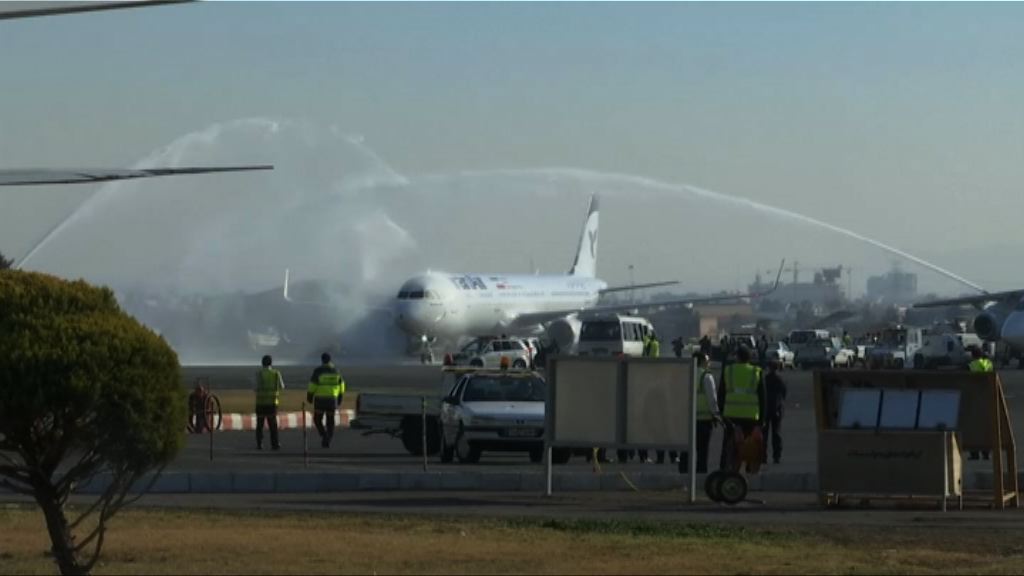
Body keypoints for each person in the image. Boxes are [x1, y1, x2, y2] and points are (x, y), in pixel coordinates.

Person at [719, 346, 765, 472]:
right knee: (750, 447)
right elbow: (763, 398)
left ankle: (726, 470)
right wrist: (761, 422)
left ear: (737, 357)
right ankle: (749, 470)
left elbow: (721, 394)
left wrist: (721, 414)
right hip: (751, 416)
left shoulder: (728, 371)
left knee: (729, 447)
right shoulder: (756, 371)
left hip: (731, 415)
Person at [307, 352, 345, 448]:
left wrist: (309, 396)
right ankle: (328, 438)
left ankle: (324, 435)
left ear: (322, 360)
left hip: (320, 400)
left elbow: (312, 385)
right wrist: (340, 397)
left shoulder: (318, 371)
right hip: (332, 400)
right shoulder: (336, 371)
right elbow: (341, 386)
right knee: (330, 421)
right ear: (330, 360)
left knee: (317, 419)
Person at [968, 347, 994, 460]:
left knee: (973, 428)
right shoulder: (988, 363)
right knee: (986, 427)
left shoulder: (971, 365)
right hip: (987, 397)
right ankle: (986, 453)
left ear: (972, 355)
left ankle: (974, 453)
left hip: (974, 398)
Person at [255, 354, 285, 450]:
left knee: (259, 424)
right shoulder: (276, 373)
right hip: (272, 403)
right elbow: (282, 386)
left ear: (262, 363)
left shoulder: (259, 374)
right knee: (273, 425)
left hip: (260, 403)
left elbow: (255, 387)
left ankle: (259, 444)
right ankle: (274, 444)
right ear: (271, 363)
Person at [762, 360, 787, 464]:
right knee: (776, 433)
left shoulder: (766, 379)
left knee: (764, 434)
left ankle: (763, 456)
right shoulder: (780, 379)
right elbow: (784, 393)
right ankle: (777, 456)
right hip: (777, 408)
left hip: (766, 408)